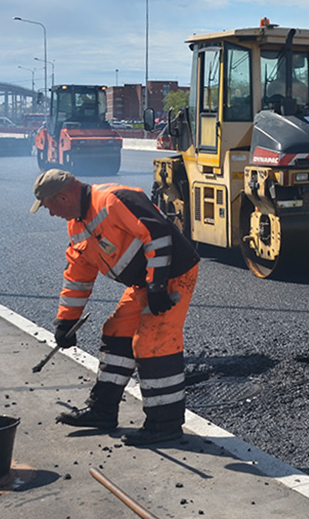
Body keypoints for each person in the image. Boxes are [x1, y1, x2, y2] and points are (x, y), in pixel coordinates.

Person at [30, 169, 199, 446]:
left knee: (151, 343)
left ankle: (164, 424)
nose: (51, 215)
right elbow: (78, 274)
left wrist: (157, 286)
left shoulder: (114, 199)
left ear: (62, 197)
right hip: (146, 284)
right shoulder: (77, 225)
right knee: (115, 330)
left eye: (49, 207)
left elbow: (157, 234)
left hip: (174, 275)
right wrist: (65, 322)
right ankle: (103, 410)